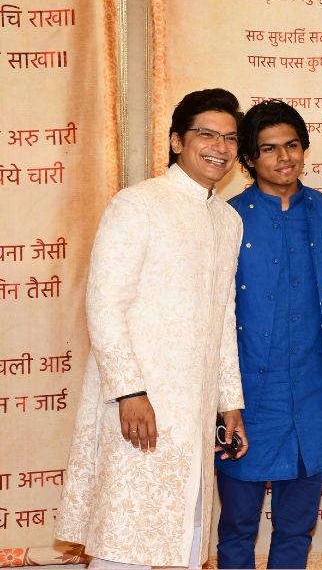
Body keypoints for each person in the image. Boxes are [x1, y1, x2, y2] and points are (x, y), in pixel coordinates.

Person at [54, 88, 249, 569]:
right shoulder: (138, 204)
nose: (220, 147)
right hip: (140, 407)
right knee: (124, 542)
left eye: (230, 138)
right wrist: (129, 391)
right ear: (177, 141)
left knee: (183, 540)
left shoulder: (227, 220)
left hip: (195, 411)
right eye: (206, 134)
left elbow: (223, 316)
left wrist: (230, 401)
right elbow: (104, 303)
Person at [215, 100, 322, 569]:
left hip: (313, 399)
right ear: (248, 159)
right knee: (238, 529)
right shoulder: (227, 219)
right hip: (246, 402)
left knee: (297, 530)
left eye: (292, 145)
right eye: (269, 149)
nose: (284, 158)